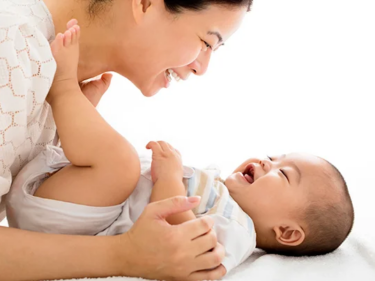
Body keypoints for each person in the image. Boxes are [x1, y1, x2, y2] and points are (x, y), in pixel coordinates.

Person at [7, 22, 354, 277]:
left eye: (282, 172)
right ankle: (78, 114)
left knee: (122, 165)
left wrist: (170, 177)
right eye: (274, 156)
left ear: (288, 232)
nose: (267, 161)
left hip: (71, 224)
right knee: (118, 165)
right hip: (72, 200)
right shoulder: (219, 191)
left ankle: (64, 91)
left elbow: (180, 237)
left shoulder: (238, 232)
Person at [0, 0, 253, 280]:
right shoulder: (10, 45)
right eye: (206, 42)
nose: (202, 68)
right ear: (145, 4)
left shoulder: (56, 74)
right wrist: (125, 255)